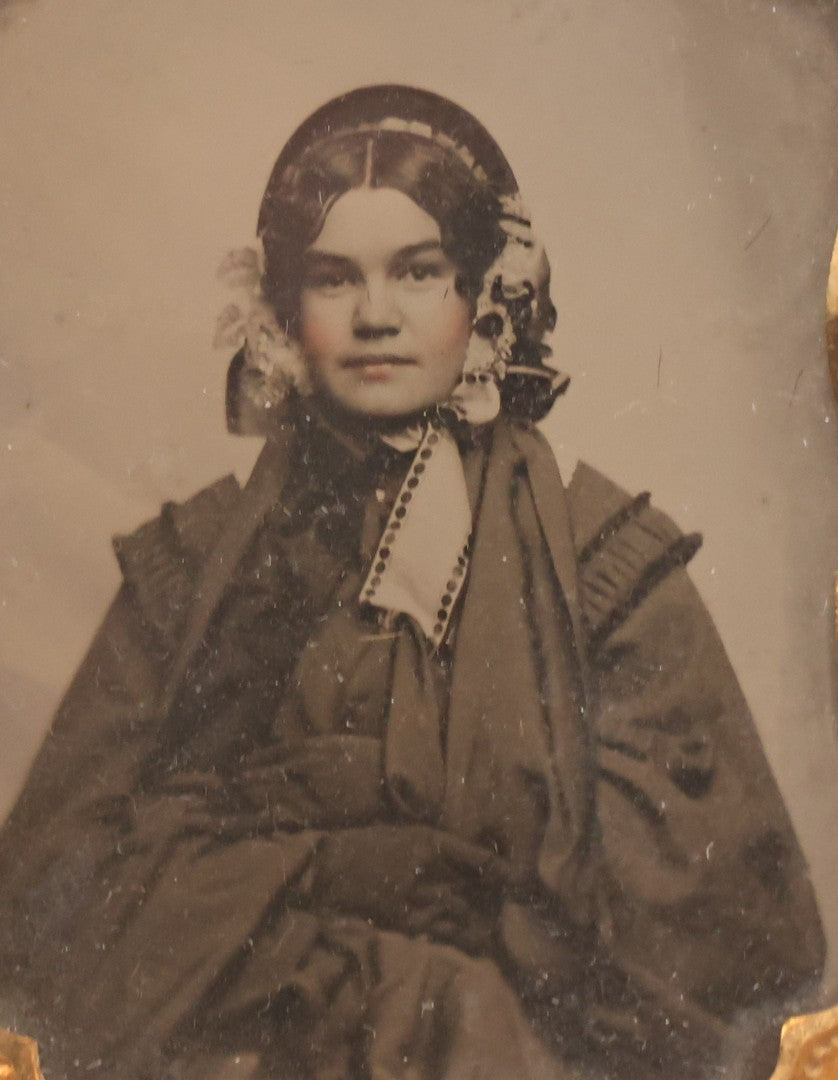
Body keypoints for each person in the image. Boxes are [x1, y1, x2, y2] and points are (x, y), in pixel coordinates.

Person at [0, 85, 825, 1080]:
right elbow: (44, 915)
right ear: (280, 312)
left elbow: (737, 938)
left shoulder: (602, 571)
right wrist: (326, 876)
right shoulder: (190, 580)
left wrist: (486, 930)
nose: (377, 316)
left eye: (419, 272)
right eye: (334, 279)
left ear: (482, 302)